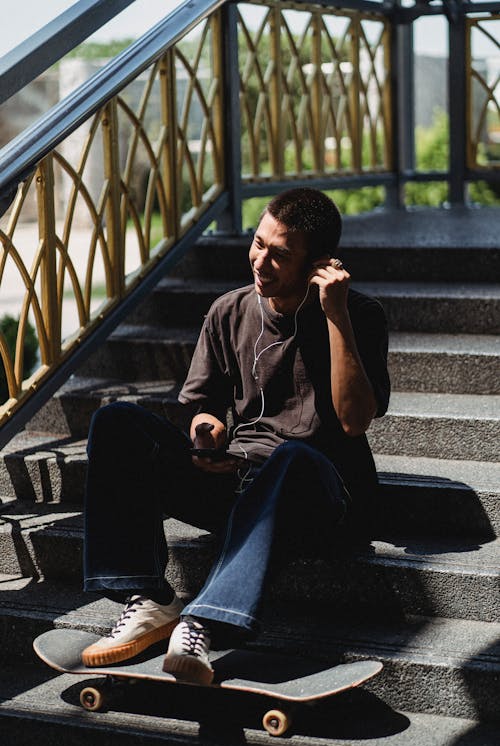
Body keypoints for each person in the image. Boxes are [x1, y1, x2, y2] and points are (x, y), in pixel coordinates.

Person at [82, 187, 390, 686]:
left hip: (317, 494)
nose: (260, 261)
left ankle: (204, 619)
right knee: (116, 422)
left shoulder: (360, 316)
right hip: (240, 483)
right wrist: (206, 440)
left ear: (319, 264)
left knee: (293, 457)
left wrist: (336, 316)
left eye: (279, 254)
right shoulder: (229, 310)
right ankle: (150, 600)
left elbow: (355, 421)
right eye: (258, 243)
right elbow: (205, 410)